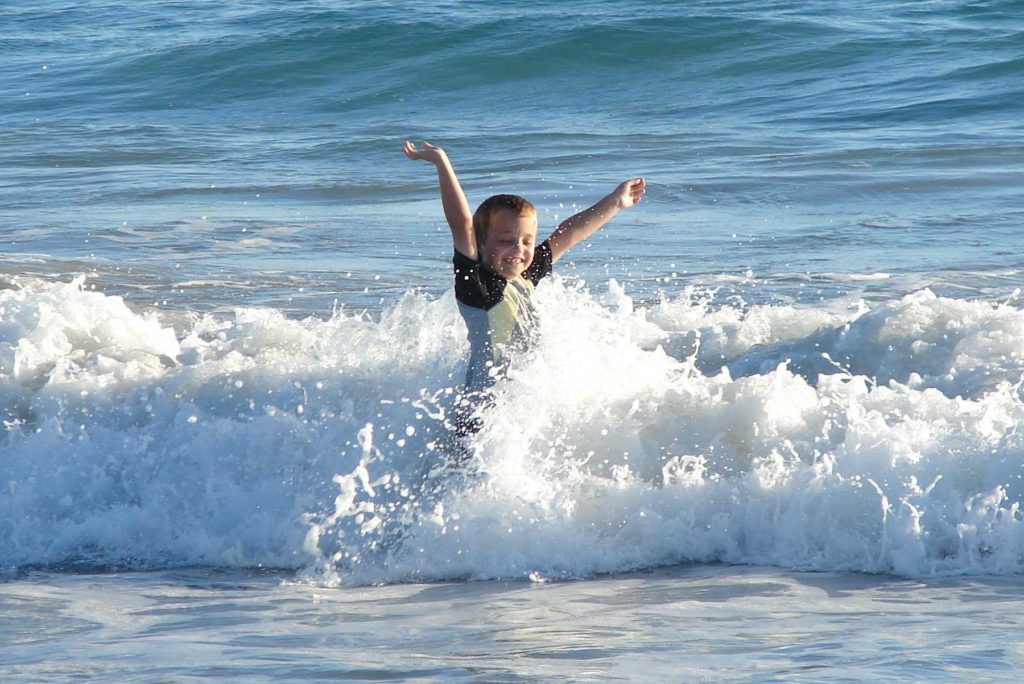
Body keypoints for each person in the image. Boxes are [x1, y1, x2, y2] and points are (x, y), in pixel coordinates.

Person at [403, 139, 645, 439]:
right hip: (479, 418)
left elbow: (567, 235)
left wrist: (614, 202)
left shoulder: (525, 276)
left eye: (527, 241)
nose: (518, 249)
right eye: (505, 240)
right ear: (480, 243)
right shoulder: (478, 287)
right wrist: (441, 162)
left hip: (517, 412)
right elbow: (462, 223)